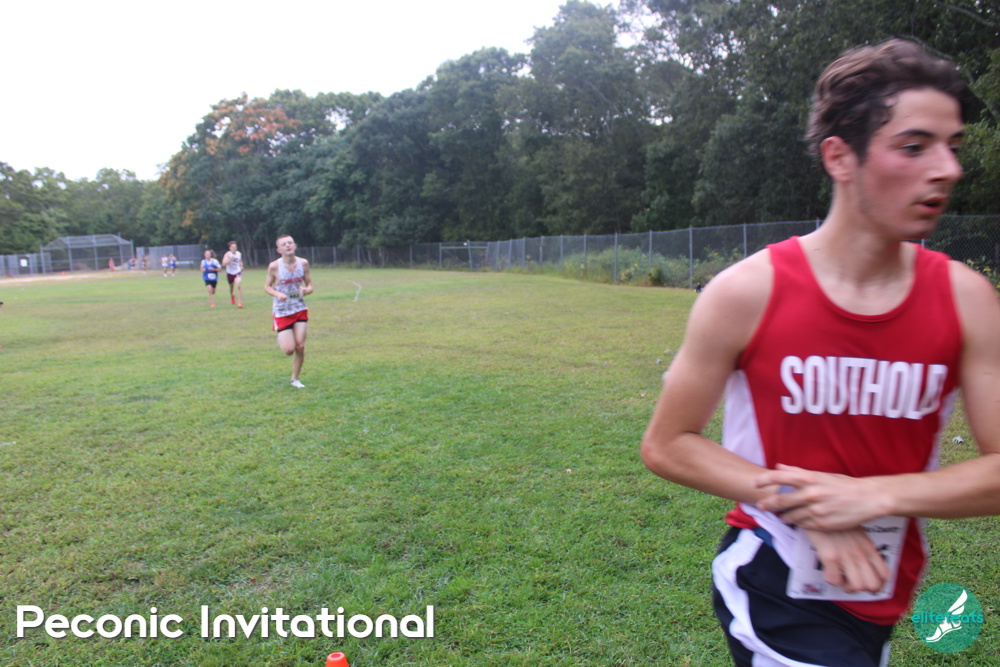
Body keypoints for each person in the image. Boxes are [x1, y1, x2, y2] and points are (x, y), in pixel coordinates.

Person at [640, 39, 1000, 667]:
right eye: (914, 146)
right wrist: (804, 504)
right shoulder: (747, 292)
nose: (947, 168)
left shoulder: (967, 299)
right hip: (773, 575)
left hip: (883, 587)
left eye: (953, 146)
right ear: (839, 156)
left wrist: (874, 497)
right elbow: (667, 443)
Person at [264, 234, 313, 388]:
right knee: (289, 350)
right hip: (282, 311)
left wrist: (306, 290)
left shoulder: (303, 263)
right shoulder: (274, 266)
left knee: (300, 346)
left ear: (295, 246)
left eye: (290, 243)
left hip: (299, 308)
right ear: (279, 250)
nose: (288, 245)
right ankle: (282, 338)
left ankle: (295, 379)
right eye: (284, 244)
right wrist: (277, 294)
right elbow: (267, 286)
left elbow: (310, 285)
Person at [222, 241, 244, 308]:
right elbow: (223, 264)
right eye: (232, 247)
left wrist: (241, 266)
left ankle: (240, 302)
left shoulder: (239, 253)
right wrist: (229, 259)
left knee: (238, 285)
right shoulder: (228, 254)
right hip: (230, 273)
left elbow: (240, 260)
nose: (234, 248)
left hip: (237, 271)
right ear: (230, 248)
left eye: (235, 247)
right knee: (231, 287)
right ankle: (232, 295)